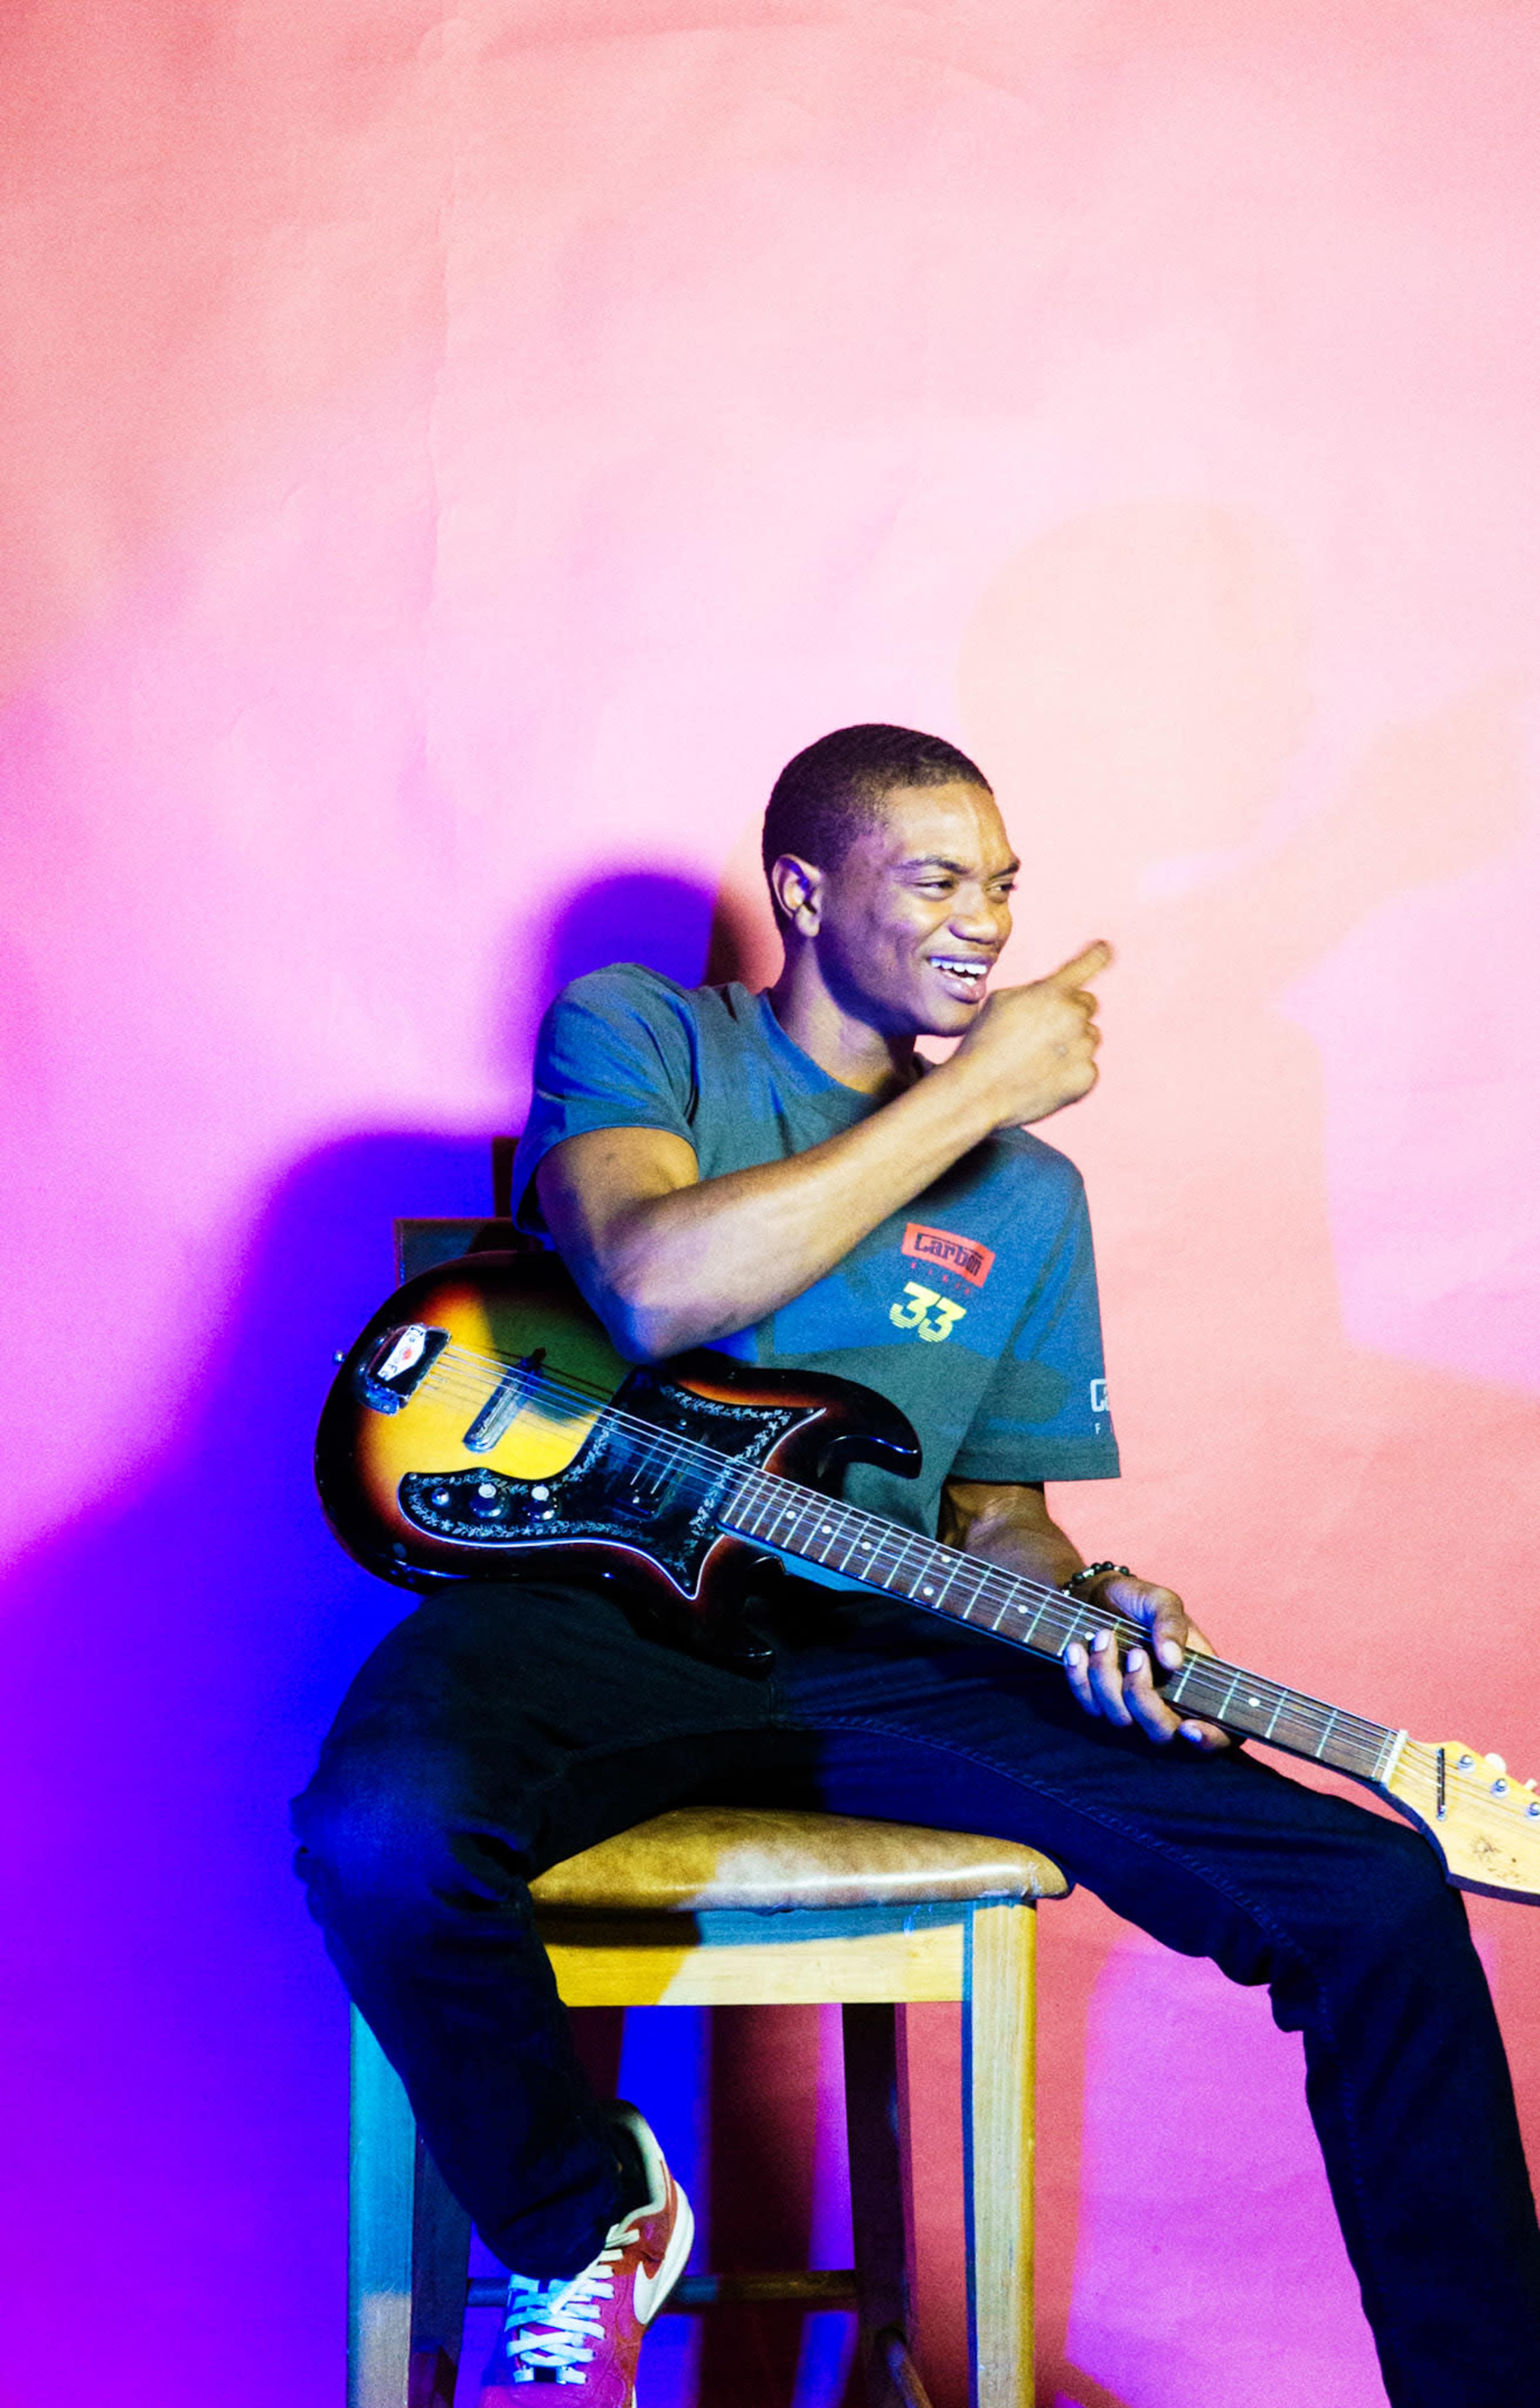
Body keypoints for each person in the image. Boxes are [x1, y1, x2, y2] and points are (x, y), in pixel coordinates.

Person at [294, 724, 1540, 2408]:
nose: (986, 923)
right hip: (585, 1622)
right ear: (804, 891)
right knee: (380, 1823)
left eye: (1005, 884)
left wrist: (1090, 1600)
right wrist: (973, 1091)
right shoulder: (644, 1031)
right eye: (937, 879)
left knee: (1377, 1894)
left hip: (885, 1646)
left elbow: (999, 1519)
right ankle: (585, 2216)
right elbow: (659, 1287)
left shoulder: (1032, 1195)